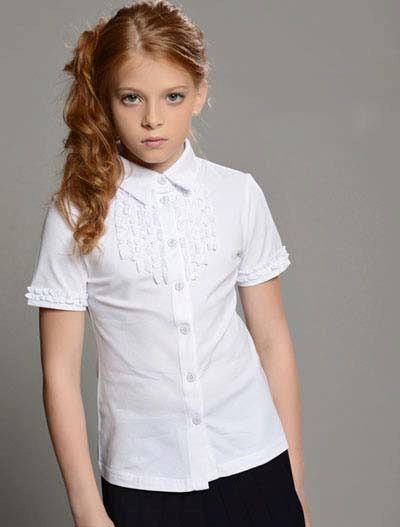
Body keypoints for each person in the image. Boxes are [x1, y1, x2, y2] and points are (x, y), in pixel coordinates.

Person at [24, 1, 312, 526]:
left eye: (172, 96)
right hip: (145, 481)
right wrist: (87, 511)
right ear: (106, 99)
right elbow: (59, 374)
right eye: (131, 97)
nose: (152, 119)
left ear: (200, 94)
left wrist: (293, 483)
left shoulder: (238, 195)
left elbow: (272, 340)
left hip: (256, 462)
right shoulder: (76, 213)